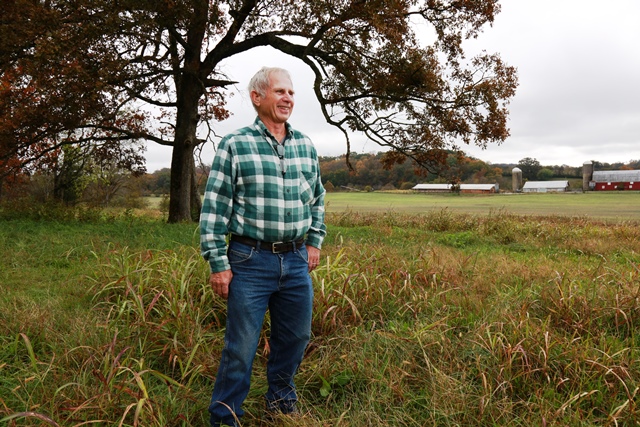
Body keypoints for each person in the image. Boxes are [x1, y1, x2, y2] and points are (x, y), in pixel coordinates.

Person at [200, 66, 326, 427]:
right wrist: (217, 262)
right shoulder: (235, 144)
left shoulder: (304, 145)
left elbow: (317, 198)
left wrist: (314, 241)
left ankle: (281, 404)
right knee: (240, 348)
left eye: (291, 93)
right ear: (257, 98)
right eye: (279, 92)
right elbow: (215, 207)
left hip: (296, 259)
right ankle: (225, 417)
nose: (287, 98)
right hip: (249, 259)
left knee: (296, 337)